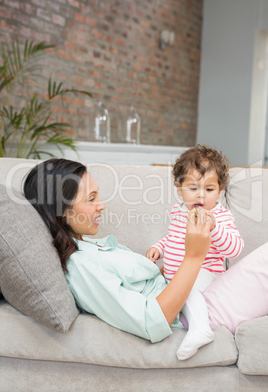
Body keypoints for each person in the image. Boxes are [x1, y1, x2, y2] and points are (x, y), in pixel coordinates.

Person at [23, 158, 212, 345]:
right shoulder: (82, 266)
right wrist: (194, 257)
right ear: (61, 209)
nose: (101, 205)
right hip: (194, 313)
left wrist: (170, 267)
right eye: (91, 199)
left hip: (196, 297)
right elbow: (151, 322)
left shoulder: (89, 245)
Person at [146, 145, 244, 360]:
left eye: (209, 190)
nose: (201, 195)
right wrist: (159, 247)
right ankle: (187, 319)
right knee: (167, 292)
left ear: (220, 190)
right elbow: (173, 237)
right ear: (179, 189)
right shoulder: (179, 211)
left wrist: (215, 229)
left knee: (188, 283)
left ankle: (201, 329)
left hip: (206, 276)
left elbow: (235, 248)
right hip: (175, 280)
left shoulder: (220, 216)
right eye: (193, 188)